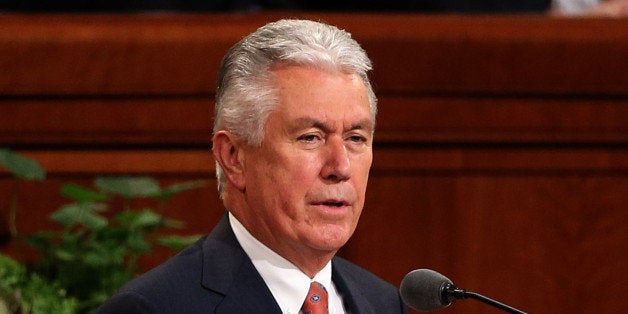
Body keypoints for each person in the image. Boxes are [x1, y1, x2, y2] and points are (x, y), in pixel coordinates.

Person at [97, 19, 409, 313]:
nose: (340, 166)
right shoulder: (154, 308)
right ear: (234, 157)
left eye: (355, 138)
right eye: (311, 138)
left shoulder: (384, 302)